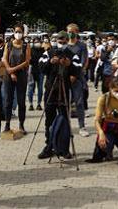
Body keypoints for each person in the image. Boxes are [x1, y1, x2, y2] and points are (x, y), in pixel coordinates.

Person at [37, 32, 81, 160]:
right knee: (49, 120)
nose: (61, 41)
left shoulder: (72, 54)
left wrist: (69, 65)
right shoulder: (49, 52)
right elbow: (41, 67)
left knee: (65, 120)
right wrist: (51, 62)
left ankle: (64, 148)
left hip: (64, 89)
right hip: (51, 89)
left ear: (68, 40)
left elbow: (78, 69)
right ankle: (49, 146)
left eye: (64, 39)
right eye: (59, 39)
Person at [1, 24, 31, 133]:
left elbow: (26, 62)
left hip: (21, 75)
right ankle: (7, 124)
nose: (18, 33)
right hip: (8, 75)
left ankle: (21, 125)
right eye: (16, 31)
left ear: (23, 33)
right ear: (14, 32)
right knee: (8, 101)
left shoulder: (26, 46)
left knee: (21, 101)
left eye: (20, 32)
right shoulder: (8, 44)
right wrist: (10, 70)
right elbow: (4, 58)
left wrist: (13, 70)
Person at [65, 23, 90, 137]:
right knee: (65, 103)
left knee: (79, 102)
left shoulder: (82, 46)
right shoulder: (64, 46)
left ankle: (82, 126)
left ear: (77, 32)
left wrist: (76, 74)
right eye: (69, 31)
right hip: (65, 78)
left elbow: (84, 62)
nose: (70, 33)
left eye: (72, 31)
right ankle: (66, 126)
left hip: (78, 78)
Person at [27, 39, 45, 111]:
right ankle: (31, 104)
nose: (37, 43)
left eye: (38, 42)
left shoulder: (43, 51)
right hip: (32, 71)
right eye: (35, 42)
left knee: (40, 88)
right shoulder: (31, 50)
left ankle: (39, 104)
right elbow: (28, 60)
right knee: (30, 88)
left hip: (40, 71)